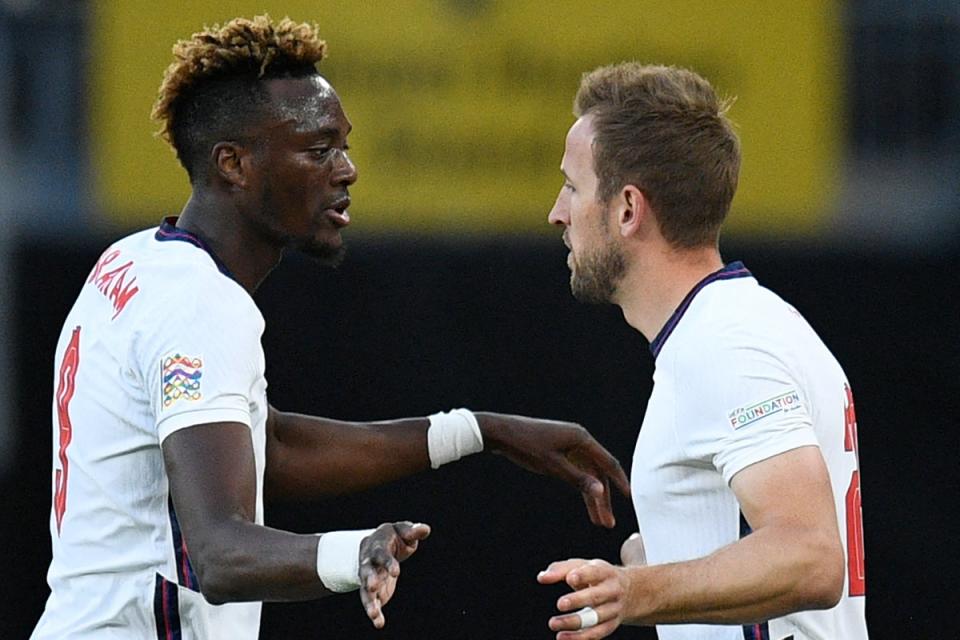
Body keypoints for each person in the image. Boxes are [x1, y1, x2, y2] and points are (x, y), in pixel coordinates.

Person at [31, 16, 630, 639]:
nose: (347, 170)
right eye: (319, 150)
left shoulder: (130, 262)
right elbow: (220, 555)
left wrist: (481, 432)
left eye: (342, 145)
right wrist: (354, 554)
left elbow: (269, 448)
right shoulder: (199, 301)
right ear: (233, 164)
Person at [537, 63, 868, 639]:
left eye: (572, 186)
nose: (557, 212)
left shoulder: (724, 344)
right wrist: (665, 558)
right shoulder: (742, 323)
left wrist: (638, 591)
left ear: (627, 209)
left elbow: (812, 557)